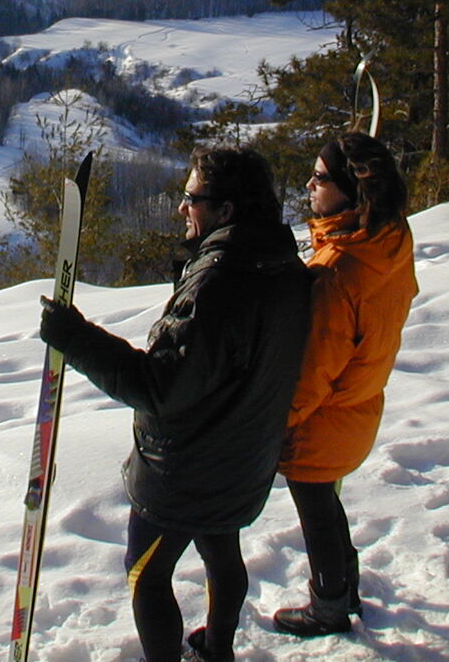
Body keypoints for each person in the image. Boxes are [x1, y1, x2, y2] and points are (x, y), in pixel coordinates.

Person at [38, 147, 311, 662]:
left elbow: (157, 386)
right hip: (244, 456)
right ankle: (219, 649)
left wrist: (74, 338)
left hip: (186, 470)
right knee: (220, 546)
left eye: (191, 199)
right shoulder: (283, 264)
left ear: (225, 211)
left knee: (147, 573)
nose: (181, 209)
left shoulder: (219, 282)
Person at [271, 133, 417, 636]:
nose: (309, 185)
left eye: (320, 178)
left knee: (315, 509)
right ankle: (347, 587)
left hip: (325, 415)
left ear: (351, 190)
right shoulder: (390, 238)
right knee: (327, 504)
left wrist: (275, 424)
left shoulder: (338, 270)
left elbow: (313, 371)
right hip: (361, 399)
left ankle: (328, 605)